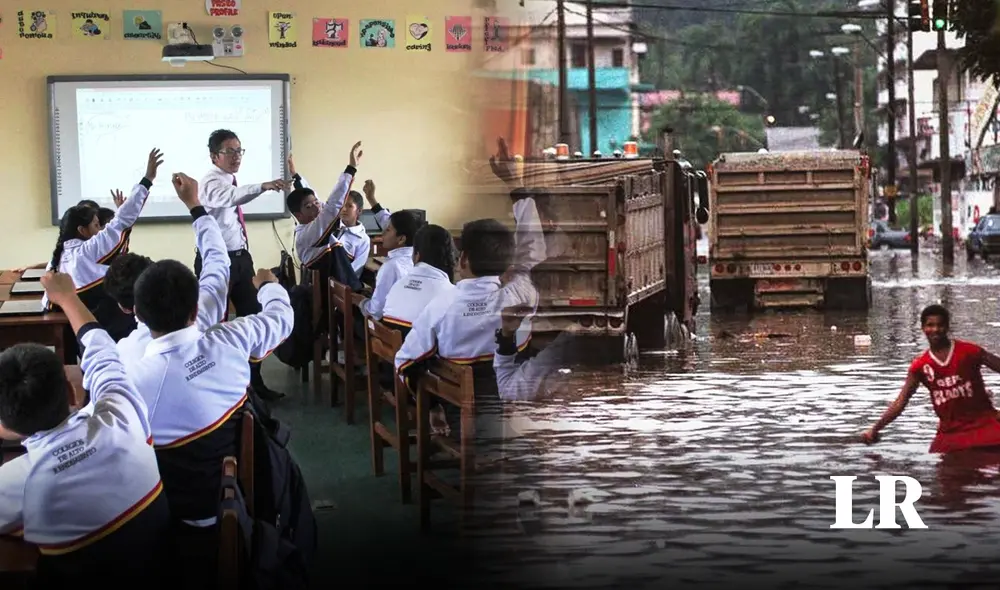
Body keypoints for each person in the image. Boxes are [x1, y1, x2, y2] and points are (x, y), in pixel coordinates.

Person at [0, 271, 169, 584]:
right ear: (70, 390)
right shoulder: (122, 414)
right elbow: (101, 351)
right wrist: (67, 297)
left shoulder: (16, 483)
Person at [198, 128, 287, 401]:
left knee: (252, 318)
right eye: (230, 151)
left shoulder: (229, 179)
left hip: (240, 259)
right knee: (215, 324)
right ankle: (221, 390)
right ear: (215, 156)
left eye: (239, 150)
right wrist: (263, 186)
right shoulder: (212, 183)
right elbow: (231, 198)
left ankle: (254, 386)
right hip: (216, 263)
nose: (236, 156)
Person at [106, 175, 231, 369]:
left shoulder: (124, 355)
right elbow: (218, 260)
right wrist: (194, 204)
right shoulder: (203, 313)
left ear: (127, 308)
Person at [43, 148, 163, 343]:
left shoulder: (61, 255)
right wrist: (147, 179)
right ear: (82, 230)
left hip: (79, 327)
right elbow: (121, 222)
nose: (100, 230)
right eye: (97, 225)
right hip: (108, 327)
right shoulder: (87, 251)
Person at [861, 304, 1000, 453]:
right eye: (930, 325)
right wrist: (875, 428)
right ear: (923, 328)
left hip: (985, 426)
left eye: (940, 325)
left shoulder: (969, 351)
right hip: (951, 434)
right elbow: (900, 403)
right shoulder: (920, 366)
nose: (935, 330)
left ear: (947, 327)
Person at [287, 143, 362, 286]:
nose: (317, 207)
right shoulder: (308, 234)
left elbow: (309, 195)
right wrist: (351, 168)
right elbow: (332, 207)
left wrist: (296, 176)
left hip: (336, 288)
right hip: (331, 299)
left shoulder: (309, 226)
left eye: (317, 202)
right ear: (299, 215)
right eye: (310, 206)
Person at [380, 223, 456, 336]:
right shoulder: (451, 293)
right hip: (418, 351)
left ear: (416, 255)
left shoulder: (398, 285)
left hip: (388, 348)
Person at [358, 209, 419, 319]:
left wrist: (361, 301)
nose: (383, 233)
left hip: (389, 329)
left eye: (388, 230)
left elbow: (375, 312)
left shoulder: (391, 267)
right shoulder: (418, 260)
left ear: (401, 239)